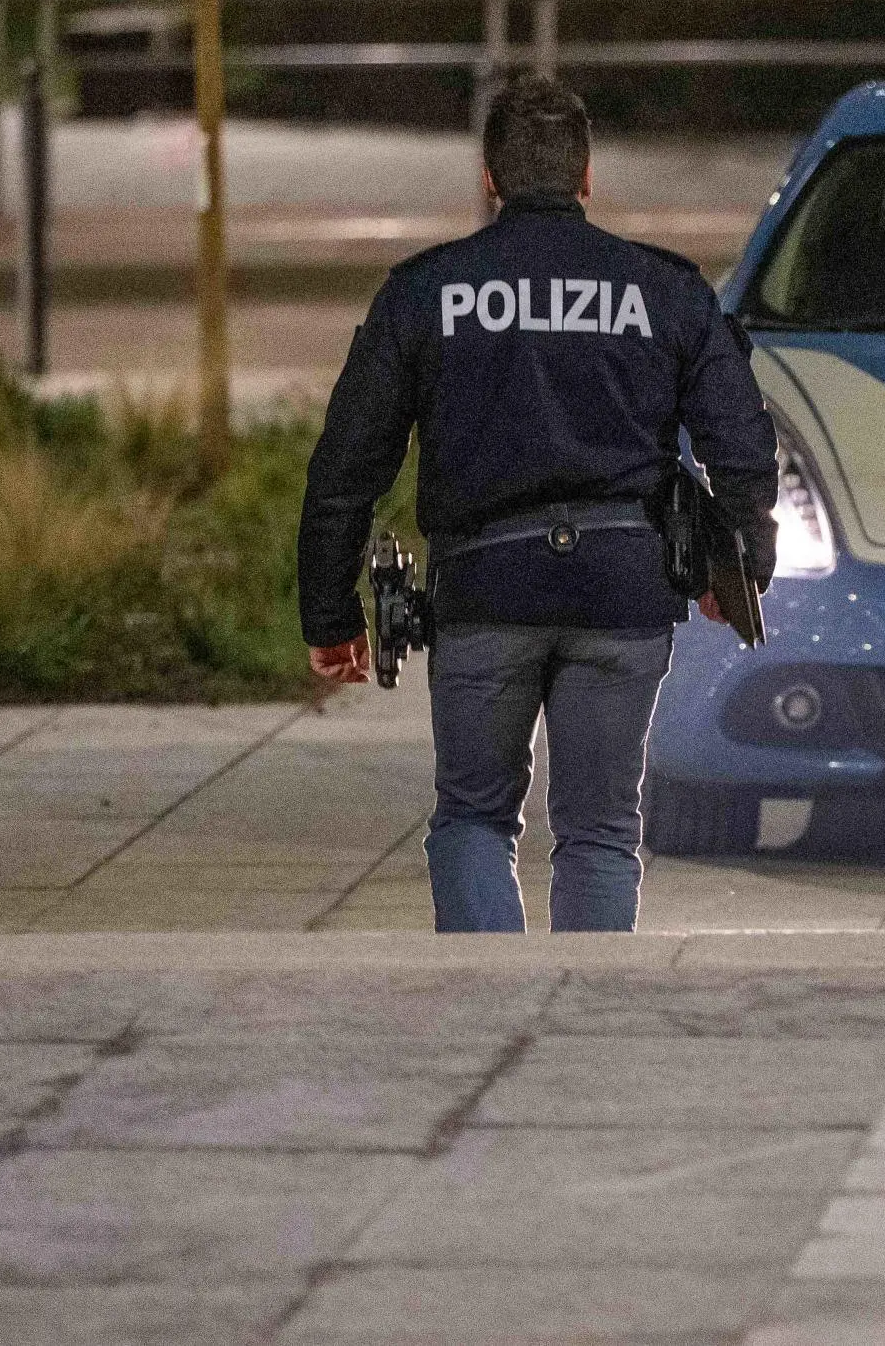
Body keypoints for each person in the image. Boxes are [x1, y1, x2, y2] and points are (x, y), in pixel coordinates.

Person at [297, 73, 778, 933]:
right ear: (587, 177)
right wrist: (738, 568)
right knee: (598, 831)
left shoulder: (425, 291)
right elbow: (741, 443)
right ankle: (587, 1030)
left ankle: (489, 1012)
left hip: (486, 587)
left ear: (490, 179)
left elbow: (346, 464)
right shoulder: (664, 290)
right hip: (623, 589)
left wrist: (330, 612)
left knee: (474, 821)